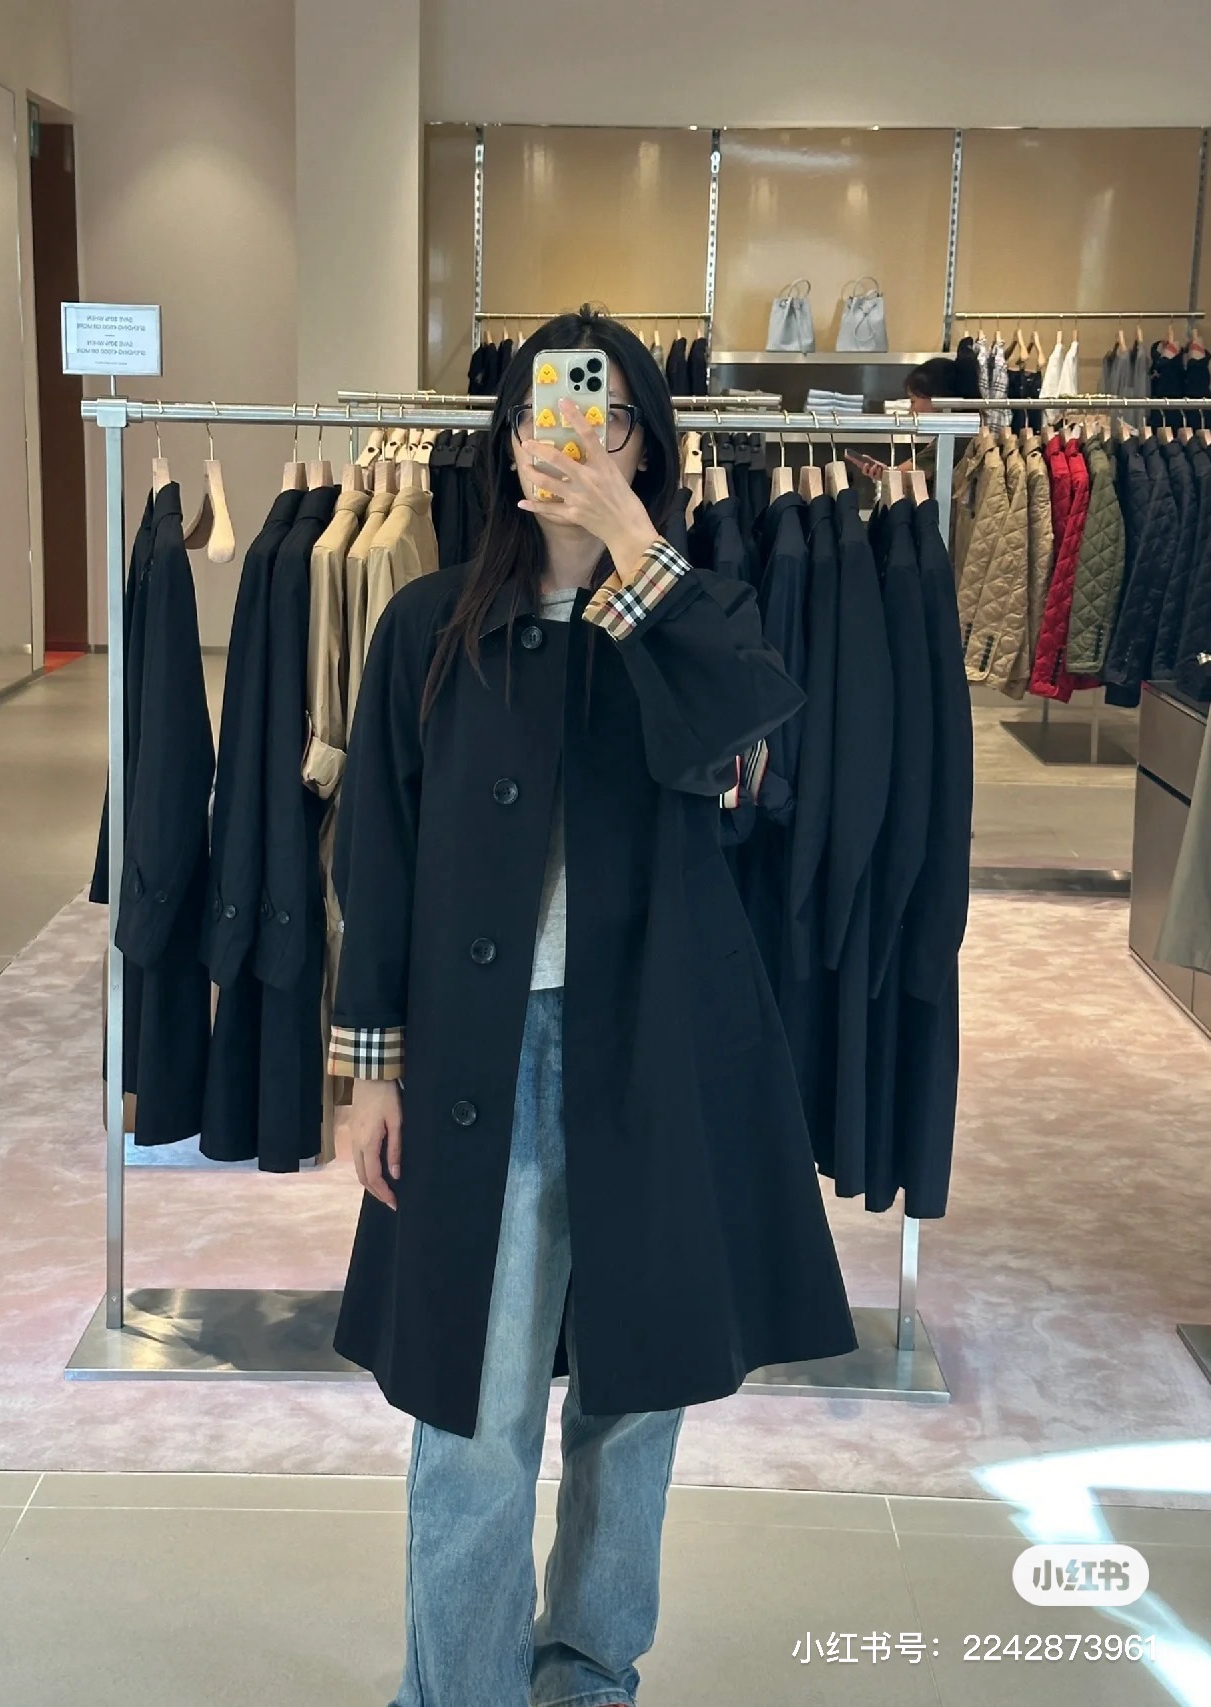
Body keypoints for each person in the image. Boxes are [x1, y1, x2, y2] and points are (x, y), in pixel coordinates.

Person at [327, 306, 857, 1707]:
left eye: (605, 414)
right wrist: (369, 1069)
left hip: (655, 1059)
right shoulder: (430, 623)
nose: (570, 438)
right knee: (474, 1411)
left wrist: (629, 540)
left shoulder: (695, 617)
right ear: (505, 441)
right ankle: (459, 1687)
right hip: (479, 1065)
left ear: (648, 441)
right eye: (546, 412)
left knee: (637, 1401)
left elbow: (742, 737)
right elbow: (376, 850)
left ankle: (589, 1670)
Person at [845, 351, 982, 485]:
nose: (910, 411)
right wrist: (885, 473)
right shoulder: (964, 435)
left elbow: (901, 477)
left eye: (913, 401)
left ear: (938, 398)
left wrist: (886, 474)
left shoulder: (954, 440)